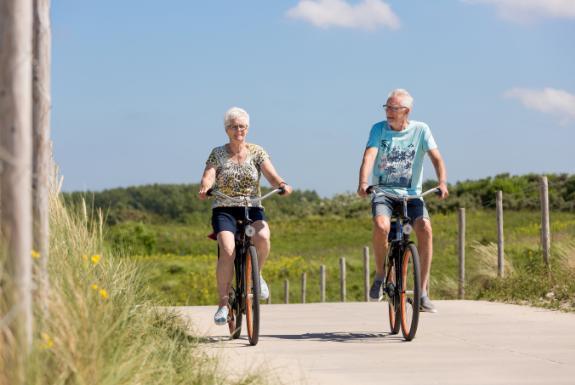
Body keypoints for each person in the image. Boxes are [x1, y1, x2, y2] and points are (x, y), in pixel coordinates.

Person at [199, 107, 292, 325]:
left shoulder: (257, 152)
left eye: (241, 126)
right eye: (233, 126)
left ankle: (256, 275)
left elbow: (270, 173)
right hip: (225, 208)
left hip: (251, 207)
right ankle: (223, 304)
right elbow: (209, 175)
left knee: (262, 236)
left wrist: (281, 184)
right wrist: (205, 187)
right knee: (228, 249)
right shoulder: (218, 153)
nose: (238, 130)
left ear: (247, 129)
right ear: (226, 129)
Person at [357, 89, 448, 313]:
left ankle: (423, 291)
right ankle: (380, 275)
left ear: (406, 111)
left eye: (393, 108)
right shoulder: (379, 129)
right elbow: (369, 155)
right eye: (387, 107)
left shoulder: (421, 129)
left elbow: (436, 157)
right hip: (383, 193)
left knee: (425, 228)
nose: (388, 111)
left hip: (411, 194)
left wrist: (442, 182)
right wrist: (363, 182)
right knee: (381, 225)